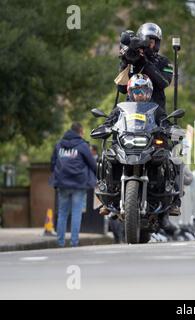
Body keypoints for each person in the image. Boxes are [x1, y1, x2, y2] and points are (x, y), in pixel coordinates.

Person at [100, 74, 181, 217]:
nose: (140, 94)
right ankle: (108, 195)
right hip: (125, 145)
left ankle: (174, 201)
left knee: (173, 160)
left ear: (149, 92)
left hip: (149, 146)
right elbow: (109, 122)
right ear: (130, 92)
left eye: (144, 91)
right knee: (105, 158)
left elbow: (165, 122)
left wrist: (171, 129)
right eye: (137, 91)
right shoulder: (121, 109)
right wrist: (104, 128)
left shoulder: (155, 109)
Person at [50, 122, 97, 247]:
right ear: (80, 131)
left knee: (62, 213)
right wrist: (98, 176)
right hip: (79, 184)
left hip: (62, 183)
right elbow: (92, 164)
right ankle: (74, 242)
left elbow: (53, 163)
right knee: (76, 213)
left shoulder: (59, 145)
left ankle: (60, 243)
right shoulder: (82, 146)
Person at [118, 22, 173, 111]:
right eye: (147, 42)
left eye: (152, 42)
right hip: (131, 113)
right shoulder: (132, 60)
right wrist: (125, 62)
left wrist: (145, 63)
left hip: (156, 114)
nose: (150, 45)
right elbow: (122, 89)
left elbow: (164, 83)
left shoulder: (164, 62)